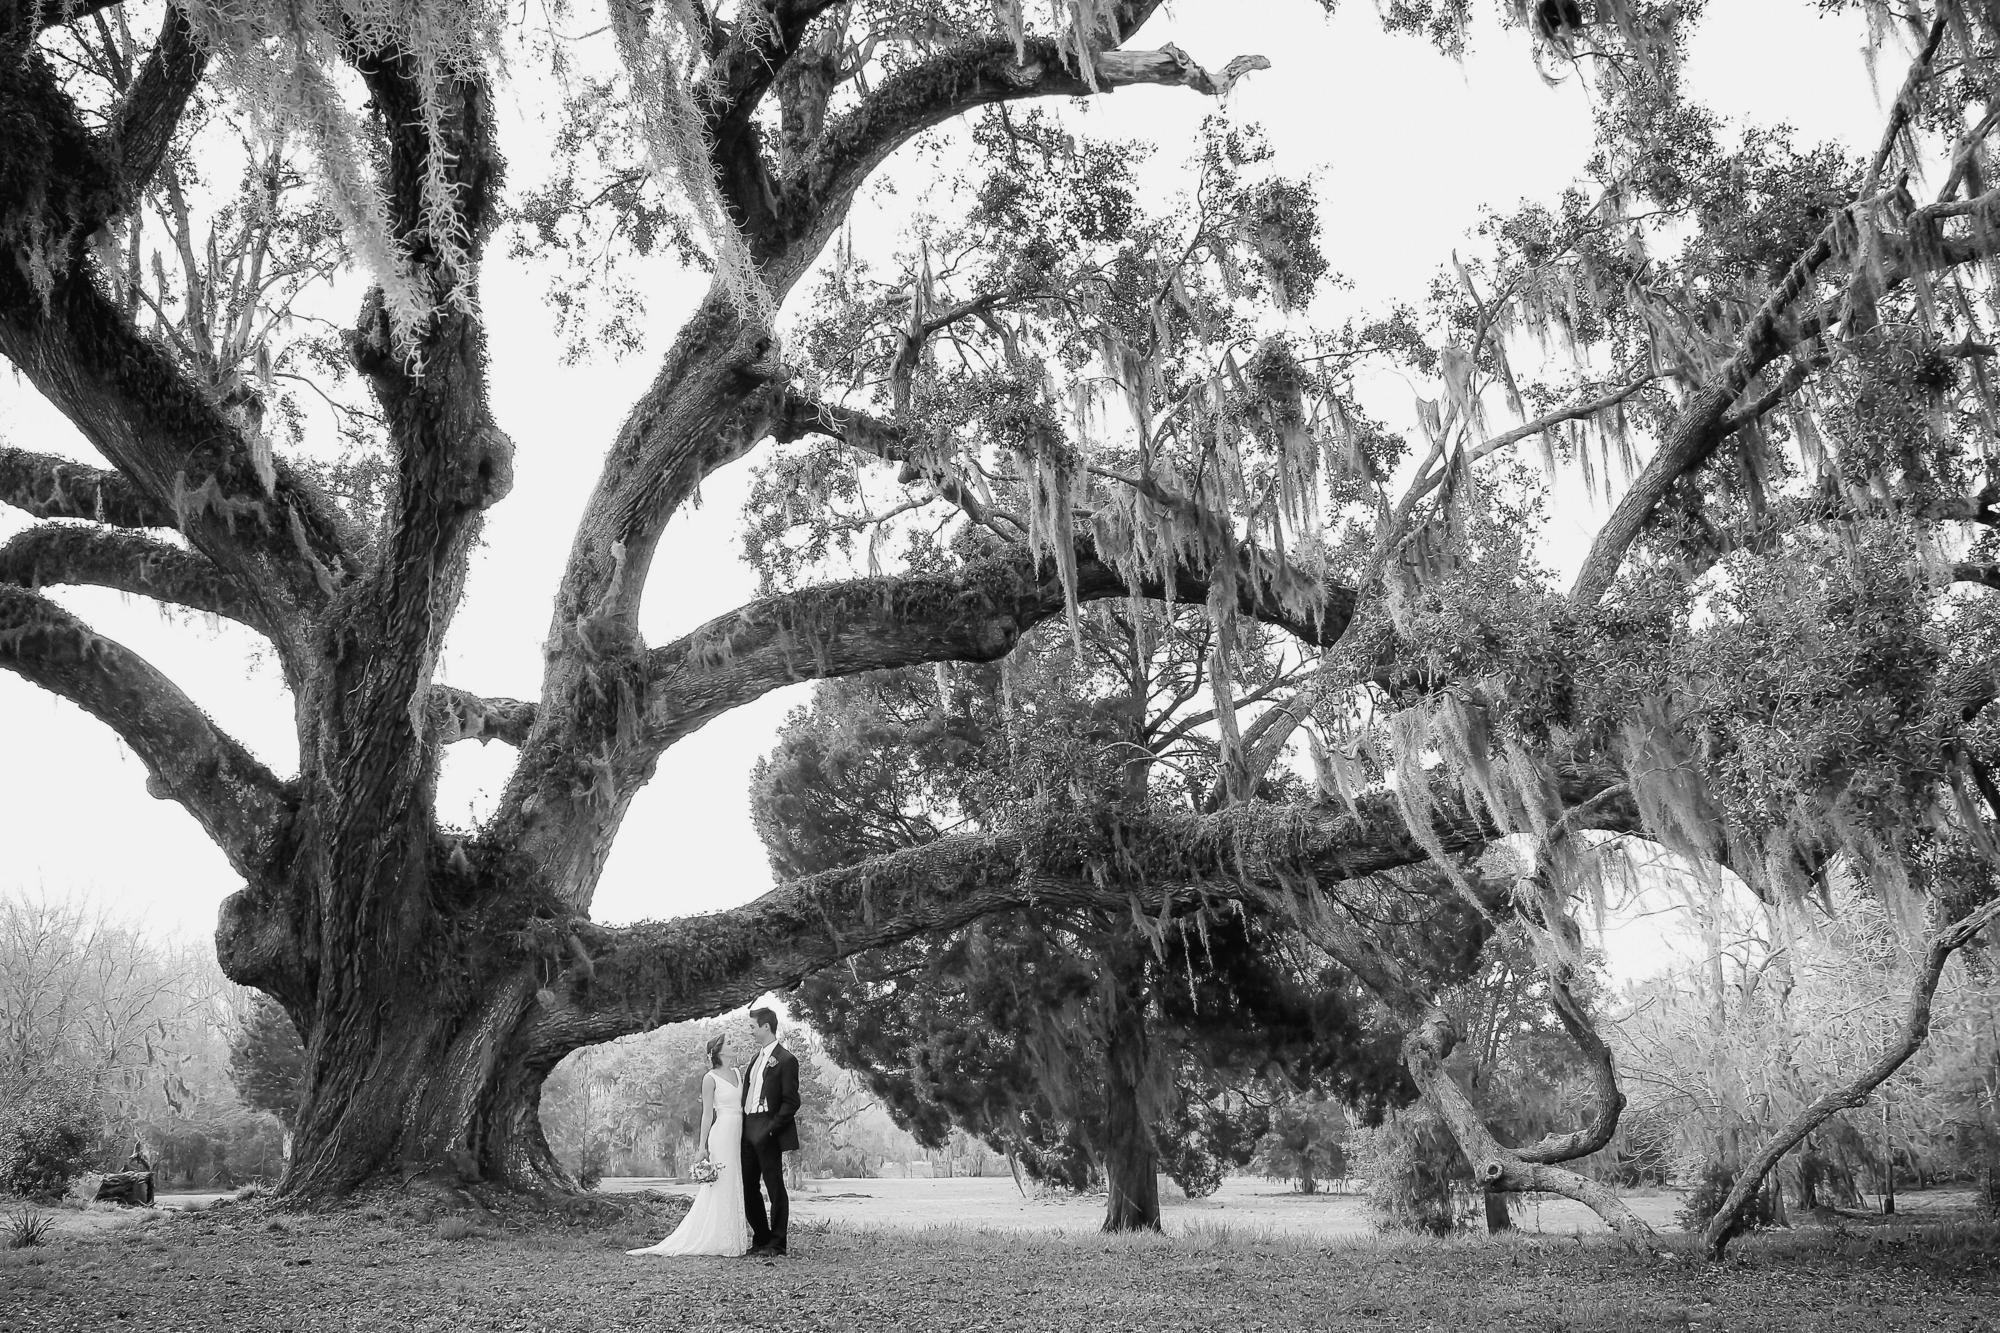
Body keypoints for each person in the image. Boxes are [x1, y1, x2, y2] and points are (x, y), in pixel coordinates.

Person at [626, 1033, 751, 1257]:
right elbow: (707, 1114)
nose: (734, 1045)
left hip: (739, 1131)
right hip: (722, 1133)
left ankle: (733, 1237)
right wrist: (702, 1147)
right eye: (729, 1043)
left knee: (735, 1181)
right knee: (722, 1183)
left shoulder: (737, 1073)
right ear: (719, 1051)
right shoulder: (710, 1078)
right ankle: (720, 1239)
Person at [739, 1007, 801, 1257]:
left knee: (774, 1186)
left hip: (768, 1126)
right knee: (748, 1186)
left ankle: (777, 1243)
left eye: (752, 1027)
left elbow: (791, 1101)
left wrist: (772, 1128)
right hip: (748, 1126)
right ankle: (761, 1238)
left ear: (766, 1027)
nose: (750, 1031)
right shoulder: (755, 1059)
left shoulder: (786, 1060)